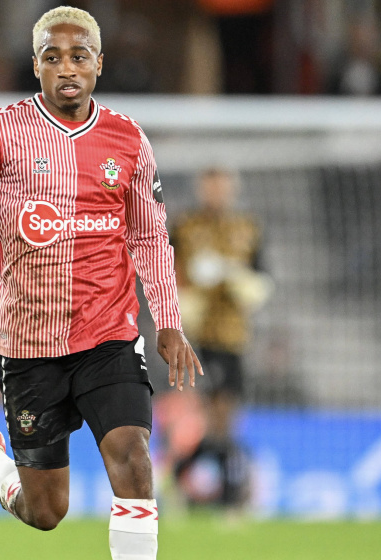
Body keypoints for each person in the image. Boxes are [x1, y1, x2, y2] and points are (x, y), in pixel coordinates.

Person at [0, 7, 202, 560]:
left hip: (109, 335)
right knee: (47, 511)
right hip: (30, 344)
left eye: (79, 57)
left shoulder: (128, 140)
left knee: (134, 457)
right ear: (36, 66)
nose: (67, 68)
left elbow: (150, 237)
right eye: (53, 58)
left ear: (99, 64)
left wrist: (169, 321)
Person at [168, 168, 271, 513]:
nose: (217, 192)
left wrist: (237, 277)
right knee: (219, 414)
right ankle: (230, 496)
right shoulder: (185, 226)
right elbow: (167, 271)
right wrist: (182, 303)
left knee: (225, 419)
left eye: (222, 186)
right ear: (202, 187)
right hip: (201, 336)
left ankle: (178, 478)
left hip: (236, 335)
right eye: (211, 185)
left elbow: (261, 280)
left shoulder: (248, 227)